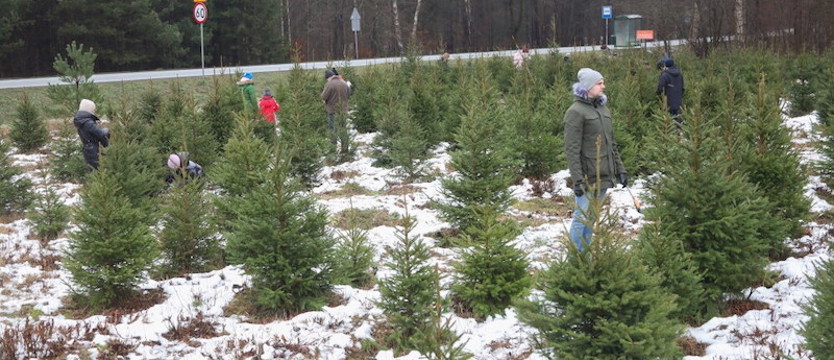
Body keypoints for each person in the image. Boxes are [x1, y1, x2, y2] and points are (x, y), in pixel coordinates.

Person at [563, 68, 627, 251]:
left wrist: (620, 169)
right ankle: (574, 258)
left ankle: (586, 257)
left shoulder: (603, 109)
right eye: (599, 83)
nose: (603, 86)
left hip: (604, 173)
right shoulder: (575, 112)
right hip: (587, 176)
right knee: (581, 218)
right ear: (588, 86)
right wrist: (577, 180)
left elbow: (611, 143)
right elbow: (571, 149)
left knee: (591, 218)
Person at [73, 99, 109, 170]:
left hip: (88, 150)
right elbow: (102, 134)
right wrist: (106, 130)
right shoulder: (88, 123)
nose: (94, 111)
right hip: (95, 150)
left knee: (92, 171)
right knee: (98, 170)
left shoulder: (82, 121)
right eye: (93, 110)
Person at [321, 68, 351, 152]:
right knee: (343, 130)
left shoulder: (329, 84)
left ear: (328, 77)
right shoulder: (343, 82)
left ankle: (332, 150)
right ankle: (345, 149)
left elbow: (323, 97)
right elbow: (349, 94)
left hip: (332, 111)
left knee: (333, 130)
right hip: (343, 111)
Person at [656, 59, 685, 126]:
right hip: (678, 99)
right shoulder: (680, 74)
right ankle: (680, 131)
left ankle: (671, 133)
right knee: (678, 116)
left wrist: (659, 96)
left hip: (667, 100)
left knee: (669, 117)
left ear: (666, 65)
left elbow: (660, 88)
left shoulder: (665, 75)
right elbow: (683, 87)